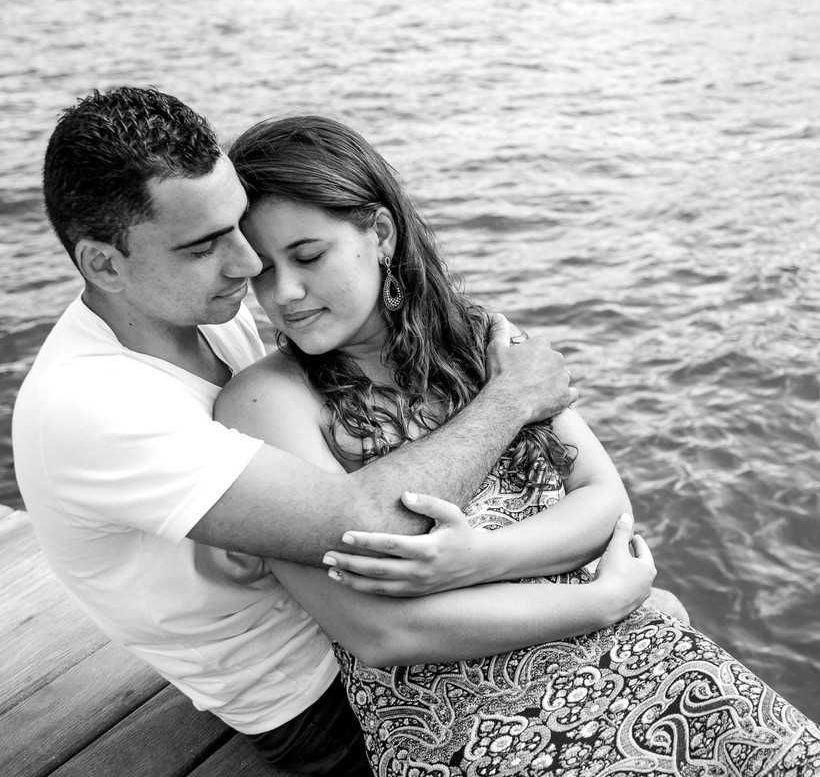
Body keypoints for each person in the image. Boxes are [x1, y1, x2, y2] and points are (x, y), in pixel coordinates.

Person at [219, 115, 820, 776]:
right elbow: (380, 633)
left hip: (636, 654)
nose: (283, 295)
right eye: (261, 271)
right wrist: (598, 599)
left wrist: (477, 558)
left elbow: (604, 499)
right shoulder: (267, 404)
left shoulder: (483, 341)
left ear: (379, 233)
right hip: (471, 722)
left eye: (307, 257)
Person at [12, 87, 590, 775]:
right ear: (104, 263)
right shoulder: (92, 408)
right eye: (204, 244)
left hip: (382, 617)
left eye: (236, 225)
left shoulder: (202, 305)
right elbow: (364, 521)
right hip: (314, 695)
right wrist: (512, 397)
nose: (249, 264)